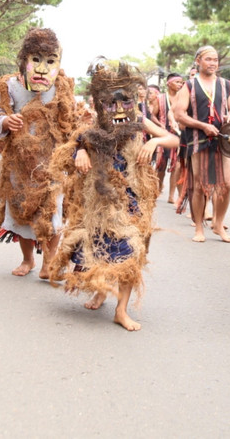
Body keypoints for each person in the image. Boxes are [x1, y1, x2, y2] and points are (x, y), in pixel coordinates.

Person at [48, 60, 179, 331]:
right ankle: (100, 289)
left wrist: (154, 141)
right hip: (99, 203)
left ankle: (121, 310)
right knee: (98, 251)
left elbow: (174, 139)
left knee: (131, 252)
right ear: (100, 104)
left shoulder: (140, 122)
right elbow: (71, 147)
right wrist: (80, 151)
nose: (119, 110)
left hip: (132, 200)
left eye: (125, 103)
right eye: (111, 104)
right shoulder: (92, 126)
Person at [0, 28, 77, 277]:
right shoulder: (9, 85)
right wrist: (7, 122)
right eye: (36, 59)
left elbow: (70, 121)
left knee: (54, 210)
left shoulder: (62, 86)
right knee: (21, 211)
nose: (41, 68)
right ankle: (27, 260)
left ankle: (49, 263)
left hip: (53, 161)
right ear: (24, 59)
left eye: (49, 61)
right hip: (19, 163)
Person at [173, 45, 230, 243]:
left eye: (215, 60)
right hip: (198, 140)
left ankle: (218, 225)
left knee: (226, 184)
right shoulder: (189, 85)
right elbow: (179, 114)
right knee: (200, 186)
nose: (213, 63)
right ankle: (199, 228)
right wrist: (202, 125)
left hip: (223, 140)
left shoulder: (226, 84)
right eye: (208, 59)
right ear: (198, 61)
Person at [156, 73, 184, 204]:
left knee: (176, 165)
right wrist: (159, 125)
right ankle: (158, 188)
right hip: (163, 134)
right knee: (161, 164)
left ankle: (171, 196)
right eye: (177, 82)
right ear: (169, 83)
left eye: (181, 82)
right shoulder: (160, 98)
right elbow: (152, 115)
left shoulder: (183, 97)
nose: (180, 84)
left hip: (178, 135)